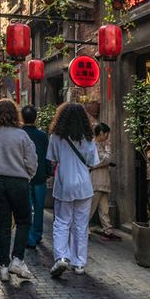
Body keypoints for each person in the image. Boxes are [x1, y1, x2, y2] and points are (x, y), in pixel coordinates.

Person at [0, 99, 39, 282]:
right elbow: (32, 162)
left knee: (3, 226)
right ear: (15, 114)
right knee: (23, 221)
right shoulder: (21, 136)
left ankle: (3, 266)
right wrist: (27, 175)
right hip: (18, 181)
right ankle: (17, 258)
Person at [46, 102, 98, 277]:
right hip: (84, 185)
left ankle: (62, 257)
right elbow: (93, 162)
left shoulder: (56, 137)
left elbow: (52, 159)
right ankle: (79, 263)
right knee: (81, 225)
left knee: (61, 222)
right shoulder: (89, 138)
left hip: (64, 184)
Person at [21, 105, 50, 252]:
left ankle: (29, 236)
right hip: (40, 175)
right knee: (39, 207)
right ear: (36, 118)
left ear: (22, 118)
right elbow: (47, 157)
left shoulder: (19, 134)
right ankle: (37, 234)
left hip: (23, 176)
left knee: (26, 207)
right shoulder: (43, 135)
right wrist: (48, 172)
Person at [88, 122, 118, 240]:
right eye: (106, 134)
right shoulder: (94, 145)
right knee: (91, 208)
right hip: (97, 181)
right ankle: (83, 230)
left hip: (102, 182)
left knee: (104, 209)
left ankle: (108, 230)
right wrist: (108, 149)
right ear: (101, 133)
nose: (107, 137)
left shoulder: (98, 145)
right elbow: (106, 159)